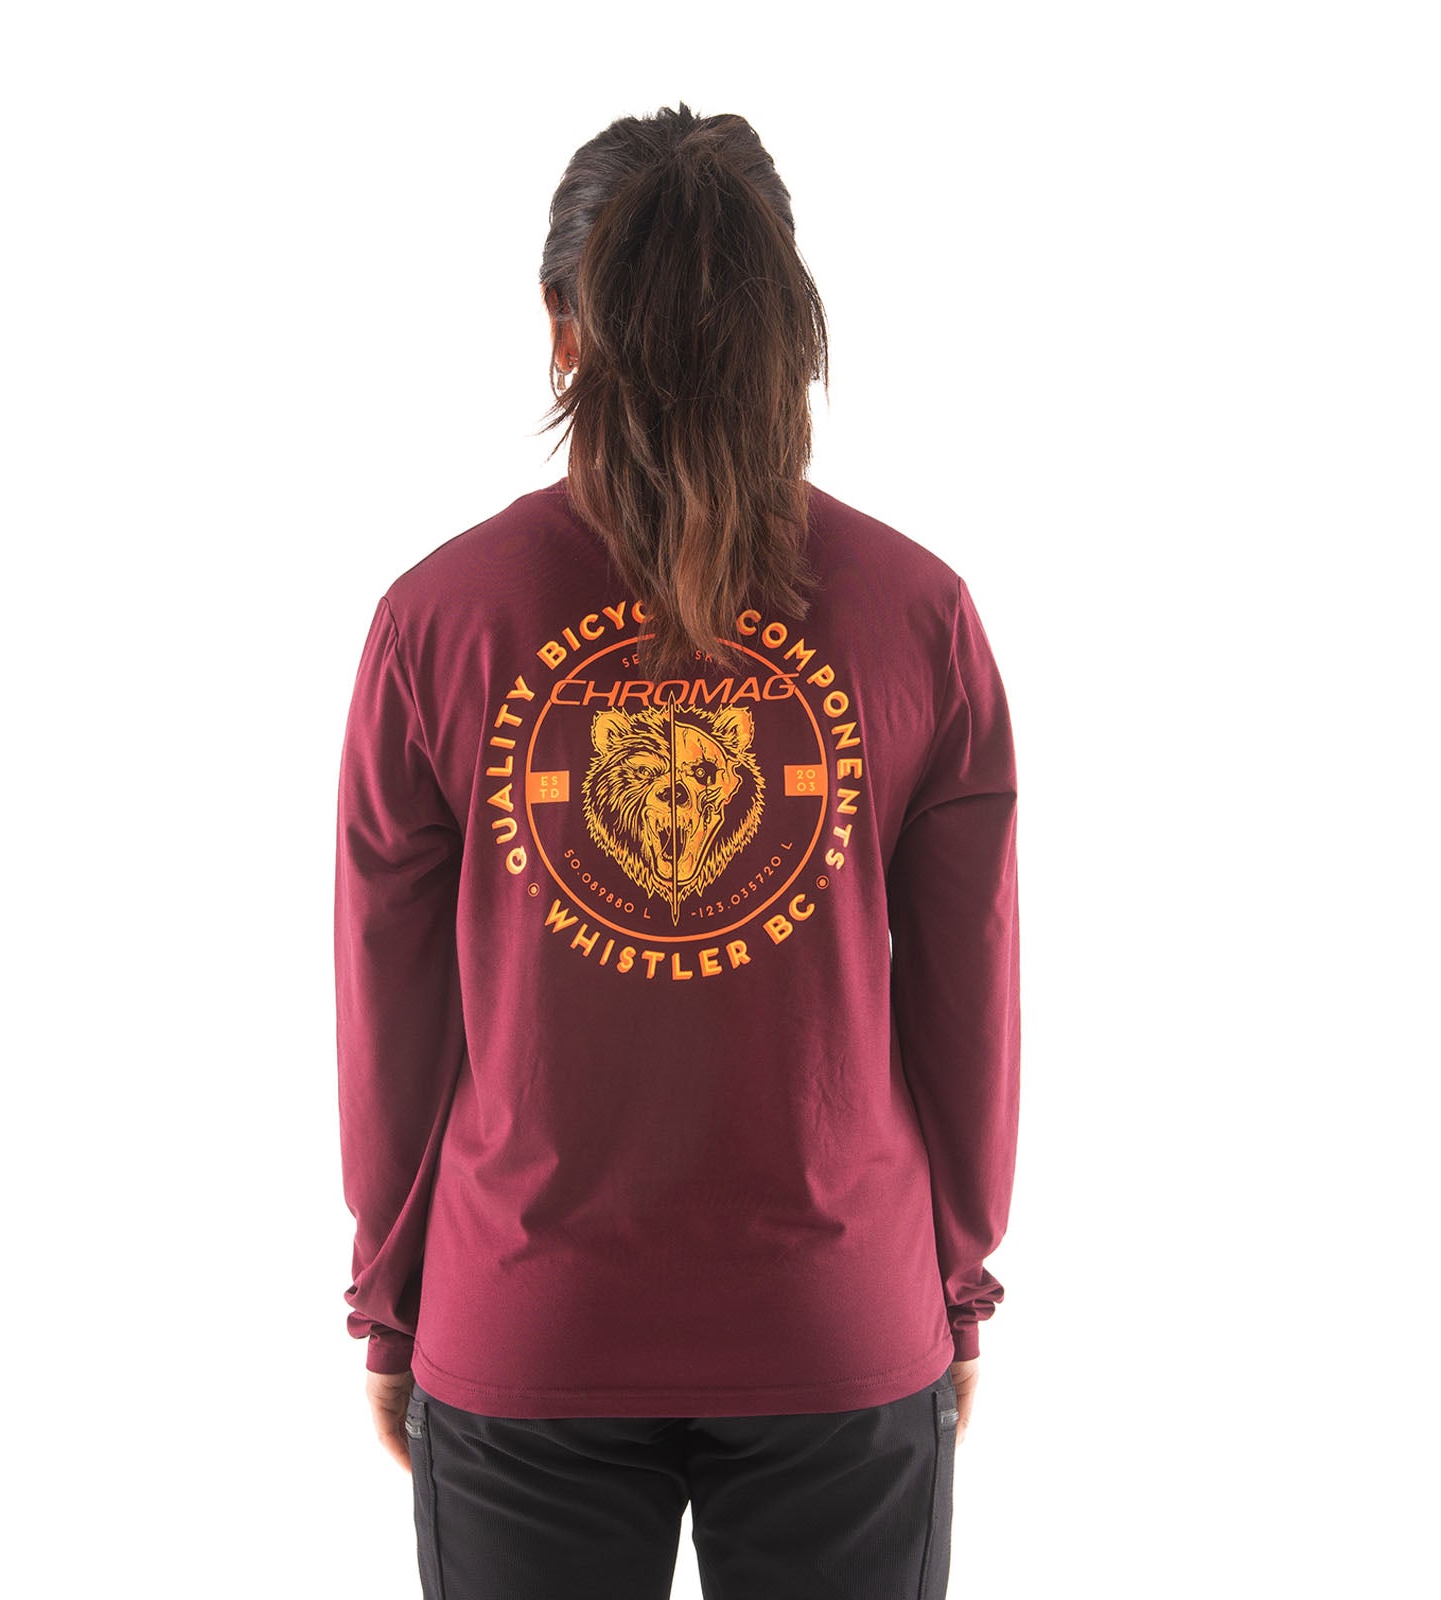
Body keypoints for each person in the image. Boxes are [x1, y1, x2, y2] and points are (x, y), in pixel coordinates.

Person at [333, 100, 1021, 1600]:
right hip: (838, 1322)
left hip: (527, 1325)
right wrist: (955, 1288)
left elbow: (390, 1005)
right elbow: (967, 999)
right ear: (788, 325)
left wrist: (390, 1302)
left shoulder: (437, 621)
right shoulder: (918, 615)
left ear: (560, 330)